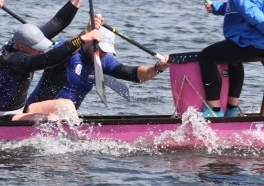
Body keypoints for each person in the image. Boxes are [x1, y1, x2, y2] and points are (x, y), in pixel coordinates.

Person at [0, 0, 100, 121]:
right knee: (55, 117)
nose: (41, 50)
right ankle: (79, 140)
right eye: (37, 48)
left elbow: (59, 21)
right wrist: (81, 40)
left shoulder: (25, 38)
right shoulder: (14, 59)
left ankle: (80, 138)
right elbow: (47, 60)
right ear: (21, 47)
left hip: (18, 111)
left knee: (65, 106)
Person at [26, 16, 170, 116]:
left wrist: (158, 68)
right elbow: (63, 48)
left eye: (105, 51)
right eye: (99, 48)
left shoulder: (103, 60)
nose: (101, 54)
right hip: (35, 112)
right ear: (90, 40)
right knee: (67, 106)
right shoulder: (69, 51)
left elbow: (133, 74)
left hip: (63, 119)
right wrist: (86, 31)